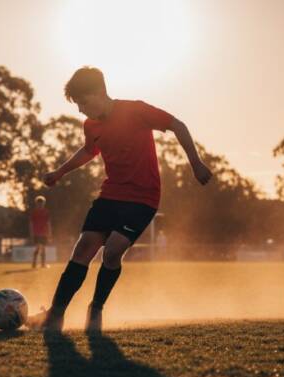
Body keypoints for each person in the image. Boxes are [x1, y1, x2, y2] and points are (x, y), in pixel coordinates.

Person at [27, 67, 212, 332]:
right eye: (77, 104)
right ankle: (55, 315)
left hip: (143, 198)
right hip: (111, 194)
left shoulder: (136, 110)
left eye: (83, 102)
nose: (80, 109)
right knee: (83, 249)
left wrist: (196, 163)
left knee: (112, 251)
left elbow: (177, 125)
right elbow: (89, 150)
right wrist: (60, 172)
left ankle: (96, 310)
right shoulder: (90, 125)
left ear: (100, 92)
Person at [29, 196, 52, 268]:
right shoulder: (39, 212)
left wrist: (31, 233)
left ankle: (36, 263)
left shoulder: (43, 212)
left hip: (41, 233)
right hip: (40, 233)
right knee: (41, 248)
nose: (40, 205)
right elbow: (31, 223)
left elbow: (48, 223)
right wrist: (50, 233)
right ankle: (41, 264)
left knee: (39, 248)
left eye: (41, 203)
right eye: (40, 203)